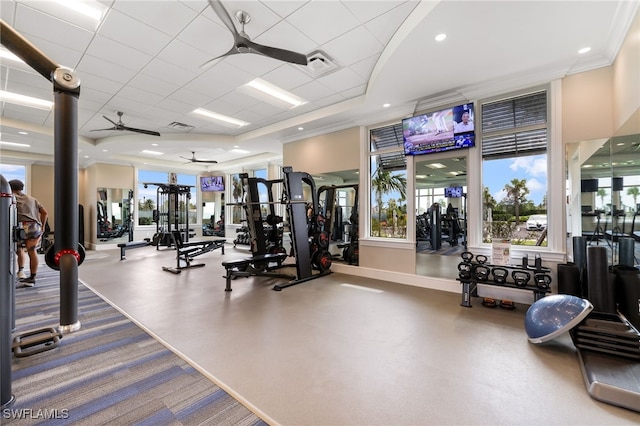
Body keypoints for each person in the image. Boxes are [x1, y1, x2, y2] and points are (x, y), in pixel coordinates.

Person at [10, 179, 48, 287]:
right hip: (34, 226)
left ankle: (20, 271)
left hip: (20, 227)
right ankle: (32, 278)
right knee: (32, 251)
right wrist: (43, 226)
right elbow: (45, 213)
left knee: (19, 249)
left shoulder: (11, 197)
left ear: (10, 188)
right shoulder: (32, 199)